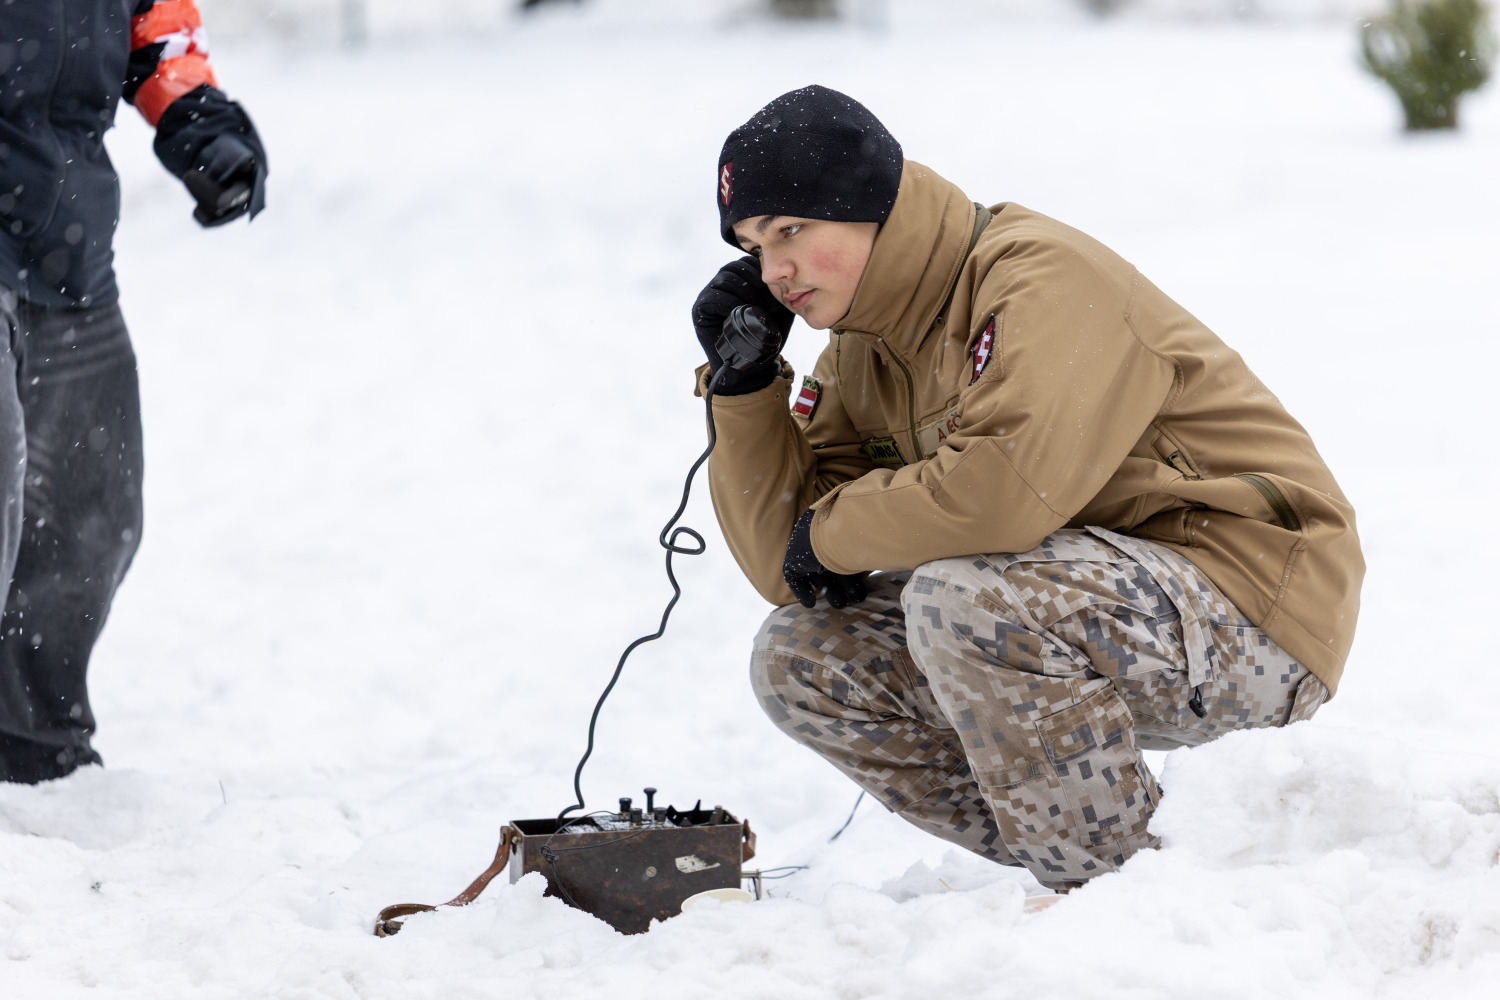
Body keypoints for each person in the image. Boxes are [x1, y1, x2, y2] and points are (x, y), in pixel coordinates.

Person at [691, 85, 1362, 890]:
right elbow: (791, 566)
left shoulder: (1037, 275)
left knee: (965, 598)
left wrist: (830, 533)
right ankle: (1108, 864)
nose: (776, 271)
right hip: (1091, 602)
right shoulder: (861, 352)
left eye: (792, 230)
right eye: (756, 246)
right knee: (800, 657)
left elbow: (1001, 495)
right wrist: (746, 389)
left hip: (1254, 599)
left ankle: (1110, 897)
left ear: (871, 206)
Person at [0, 1, 267, 783]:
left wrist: (200, 122)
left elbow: (153, 28)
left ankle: (30, 738)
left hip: (62, 232)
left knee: (93, 511)